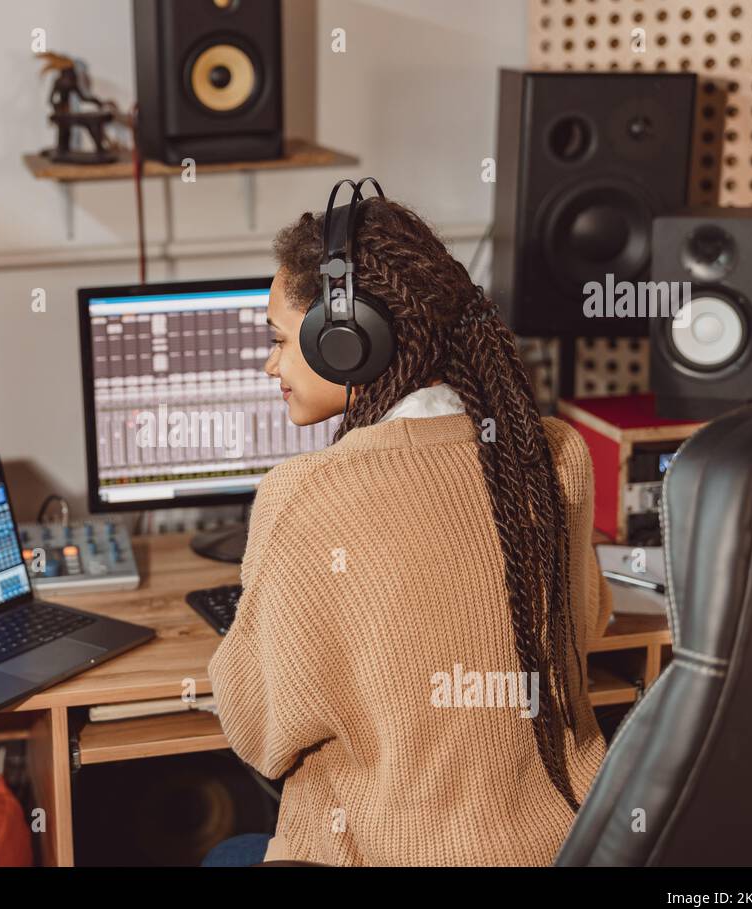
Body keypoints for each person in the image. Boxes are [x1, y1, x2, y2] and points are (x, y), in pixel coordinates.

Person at [203, 191, 611, 866]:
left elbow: (259, 731)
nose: (270, 365)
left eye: (279, 340)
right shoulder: (554, 455)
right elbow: (585, 627)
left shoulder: (305, 495)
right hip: (570, 842)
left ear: (346, 339)